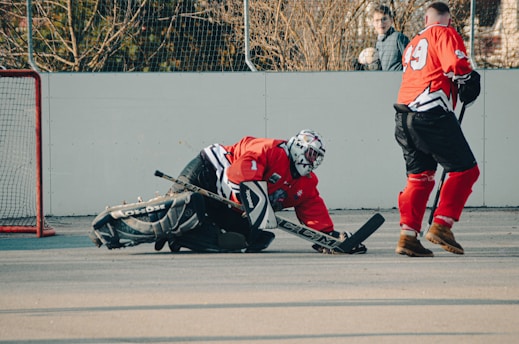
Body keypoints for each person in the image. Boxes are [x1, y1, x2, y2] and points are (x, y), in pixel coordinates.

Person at [90, 129, 367, 254]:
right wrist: (250, 195)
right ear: (296, 146)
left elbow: (312, 207)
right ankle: (115, 223)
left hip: (229, 204)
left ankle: (185, 236)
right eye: (309, 153)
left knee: (255, 238)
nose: (312, 161)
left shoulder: (305, 183)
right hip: (209, 172)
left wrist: (327, 236)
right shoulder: (271, 149)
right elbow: (241, 169)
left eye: (317, 157)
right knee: (184, 207)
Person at [393, 2, 481, 257]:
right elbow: (456, 64)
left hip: (403, 117)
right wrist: (468, 79)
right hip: (430, 113)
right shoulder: (444, 32)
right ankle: (442, 224)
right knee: (466, 169)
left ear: (425, 19)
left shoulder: (413, 43)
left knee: (420, 178)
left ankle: (408, 237)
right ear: (448, 20)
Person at [372, 5, 410, 71]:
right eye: (377, 20)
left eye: (384, 19)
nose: (380, 23)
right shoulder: (377, 44)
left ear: (391, 20)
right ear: (373, 23)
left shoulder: (398, 37)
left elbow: (411, 61)